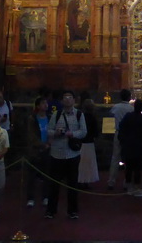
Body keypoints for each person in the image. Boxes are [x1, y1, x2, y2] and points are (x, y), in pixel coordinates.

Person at [46, 90, 86, 219]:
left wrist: (72, 134)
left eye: (70, 97)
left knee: (72, 184)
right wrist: (56, 133)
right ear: (62, 101)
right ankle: (51, 210)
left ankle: (72, 211)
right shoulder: (56, 115)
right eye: (65, 97)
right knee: (54, 184)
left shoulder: (79, 115)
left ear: (74, 100)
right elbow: (48, 131)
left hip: (72, 154)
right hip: (57, 153)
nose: (67, 100)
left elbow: (84, 131)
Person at [118, 97, 142, 197]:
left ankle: (128, 185)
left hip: (128, 145)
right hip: (139, 146)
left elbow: (121, 128)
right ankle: (136, 187)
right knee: (137, 168)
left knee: (129, 167)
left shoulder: (128, 116)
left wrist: (122, 140)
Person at [24, 96, 51, 207]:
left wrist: (49, 144)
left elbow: (52, 132)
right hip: (35, 150)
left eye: (46, 103)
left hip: (47, 149)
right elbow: (32, 135)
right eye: (43, 103)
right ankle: (30, 198)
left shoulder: (50, 118)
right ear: (38, 106)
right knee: (32, 175)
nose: (46, 105)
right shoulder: (32, 119)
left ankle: (45, 196)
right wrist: (41, 144)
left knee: (46, 175)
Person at [106, 88, 133, 190]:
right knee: (128, 159)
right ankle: (126, 182)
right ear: (129, 97)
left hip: (118, 133)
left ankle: (111, 182)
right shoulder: (131, 108)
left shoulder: (115, 107)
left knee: (115, 158)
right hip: (129, 135)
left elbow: (110, 116)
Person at [77, 98, 100, 185]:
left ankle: (80, 180)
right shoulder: (92, 117)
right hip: (89, 142)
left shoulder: (80, 116)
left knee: (81, 163)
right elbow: (96, 132)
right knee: (88, 163)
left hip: (81, 142)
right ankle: (86, 180)